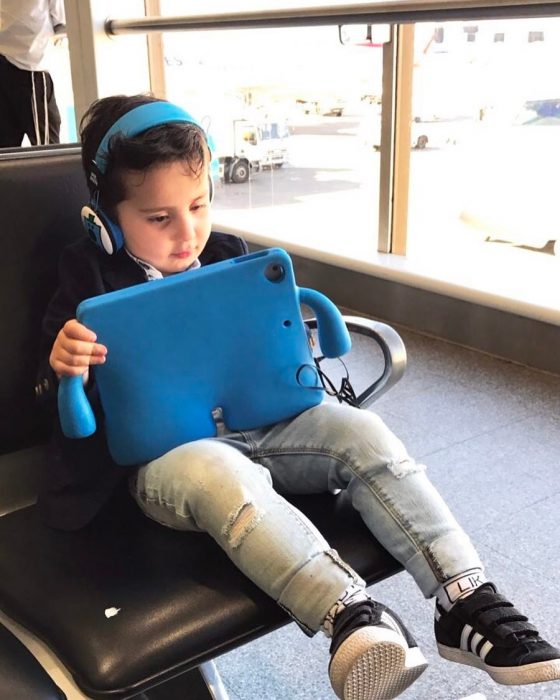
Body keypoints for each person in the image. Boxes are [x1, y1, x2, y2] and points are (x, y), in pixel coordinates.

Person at [36, 93, 560, 700]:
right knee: (218, 472)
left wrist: (288, 331)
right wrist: (63, 362)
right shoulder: (89, 286)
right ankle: (350, 619)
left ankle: (465, 600)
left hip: (264, 426)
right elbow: (59, 401)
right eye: (159, 219)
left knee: (360, 432)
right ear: (104, 216)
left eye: (199, 205)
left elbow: (283, 352)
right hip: (167, 460)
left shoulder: (230, 257)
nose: (188, 234)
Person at [0, 0, 65, 147]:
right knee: (47, 148)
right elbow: (62, 20)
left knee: (5, 147)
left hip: (5, 57)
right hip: (30, 64)